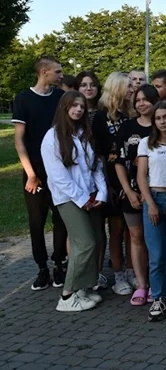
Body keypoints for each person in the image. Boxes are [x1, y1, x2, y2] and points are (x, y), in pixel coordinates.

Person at [40, 91, 107, 312]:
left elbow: (95, 166)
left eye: (82, 106)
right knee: (84, 244)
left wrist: (101, 193)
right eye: (74, 105)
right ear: (64, 107)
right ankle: (67, 296)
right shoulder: (52, 137)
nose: (78, 109)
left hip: (90, 196)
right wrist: (81, 199)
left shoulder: (83, 134)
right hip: (69, 198)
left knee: (95, 241)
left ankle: (83, 289)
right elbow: (57, 176)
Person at [12, 57, 68, 291]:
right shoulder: (23, 99)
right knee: (36, 220)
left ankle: (59, 264)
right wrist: (31, 174)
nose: (61, 75)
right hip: (34, 169)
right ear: (44, 72)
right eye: (58, 71)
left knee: (61, 217)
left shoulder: (60, 97)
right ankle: (42, 268)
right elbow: (19, 141)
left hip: (59, 168)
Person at [114, 84, 159, 306]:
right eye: (138, 100)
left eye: (146, 100)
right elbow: (119, 162)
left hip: (158, 192)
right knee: (136, 237)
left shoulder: (163, 125)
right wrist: (129, 191)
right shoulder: (127, 128)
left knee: (155, 239)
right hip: (131, 192)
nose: (141, 104)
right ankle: (142, 285)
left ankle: (157, 283)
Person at [138, 101, 166, 322]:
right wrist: (151, 204)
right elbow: (141, 176)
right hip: (155, 197)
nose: (162, 121)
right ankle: (157, 296)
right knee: (157, 254)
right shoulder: (146, 143)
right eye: (158, 118)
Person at [92, 72, 133, 295]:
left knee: (132, 231)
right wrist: (106, 185)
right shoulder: (101, 117)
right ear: (117, 88)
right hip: (112, 179)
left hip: (132, 178)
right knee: (116, 230)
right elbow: (99, 155)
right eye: (128, 86)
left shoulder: (131, 113)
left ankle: (132, 270)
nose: (132, 90)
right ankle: (118, 275)